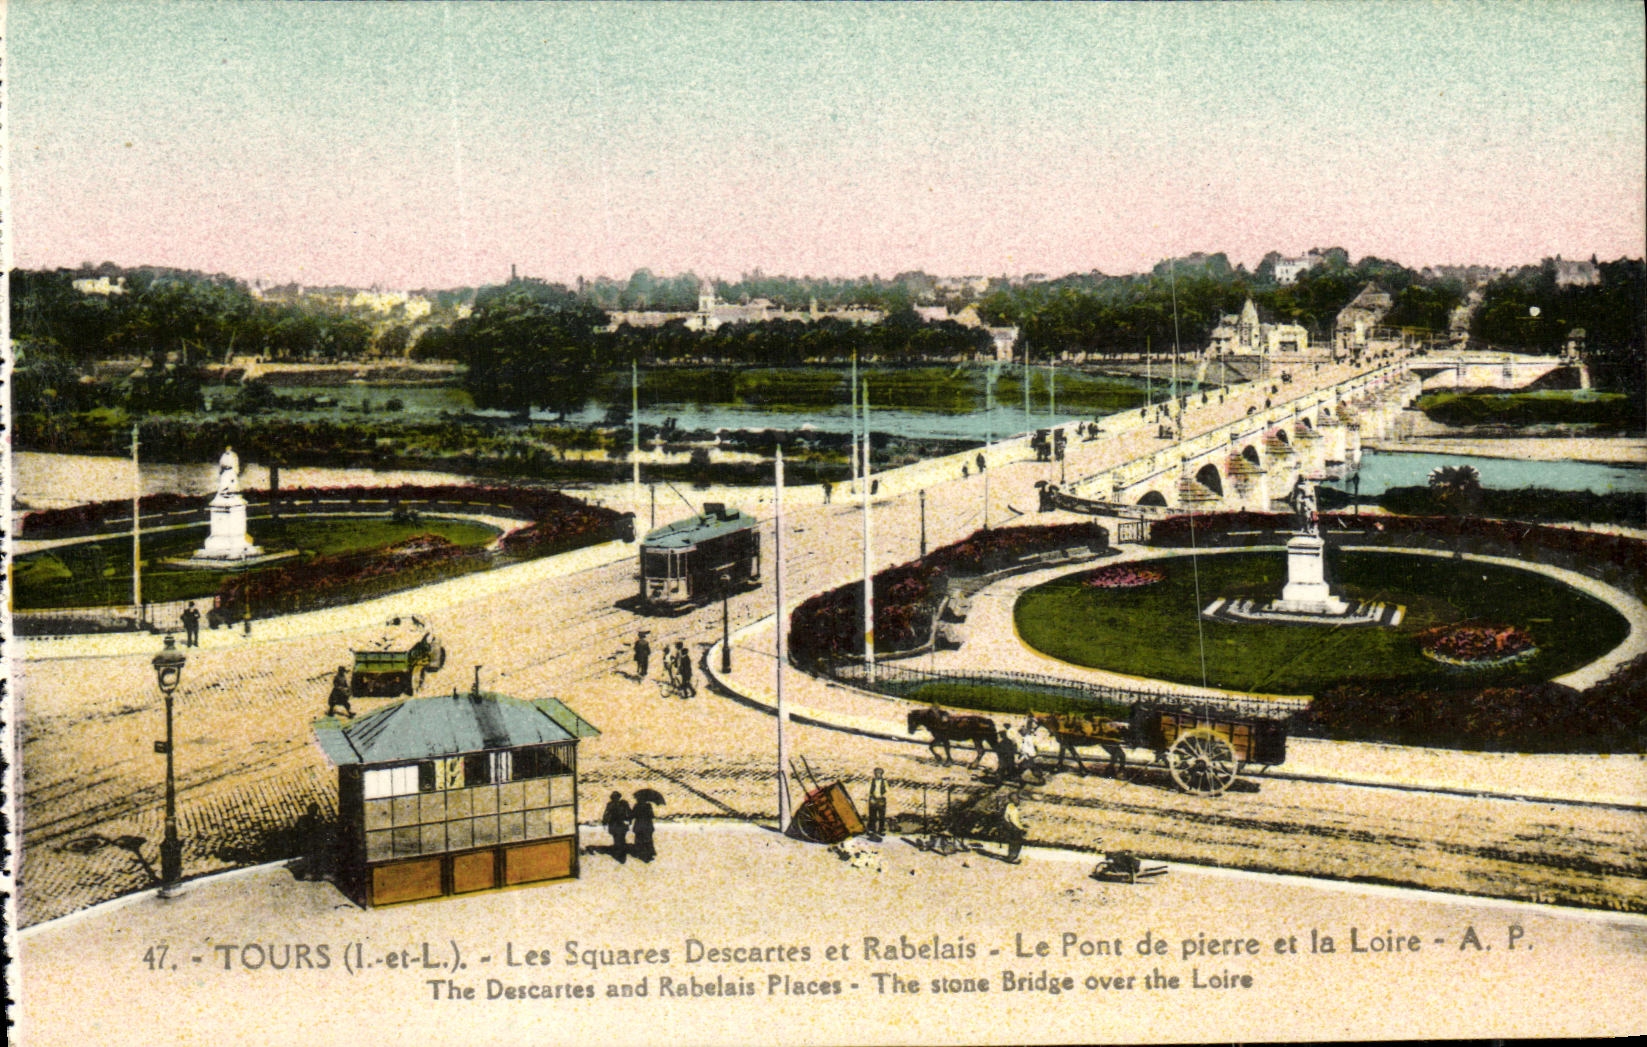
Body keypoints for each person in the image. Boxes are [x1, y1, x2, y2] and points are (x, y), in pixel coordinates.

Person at [601, 791, 631, 861]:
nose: (615, 798)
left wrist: (628, 820)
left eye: (616, 797)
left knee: (619, 838)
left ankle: (620, 853)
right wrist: (604, 822)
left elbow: (629, 812)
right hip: (616, 824)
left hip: (618, 824)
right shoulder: (612, 804)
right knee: (618, 838)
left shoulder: (623, 803)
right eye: (614, 797)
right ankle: (620, 854)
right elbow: (606, 814)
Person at [1001, 790, 1028, 864]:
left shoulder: (1009, 806)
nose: (1019, 801)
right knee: (1016, 843)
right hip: (1014, 827)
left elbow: (1006, 817)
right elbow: (1014, 820)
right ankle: (1013, 858)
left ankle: (1010, 856)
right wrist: (1022, 828)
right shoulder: (1013, 808)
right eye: (1017, 799)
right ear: (1014, 799)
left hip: (1009, 826)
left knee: (1013, 842)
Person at [630, 792, 657, 862]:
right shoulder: (648, 806)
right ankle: (649, 854)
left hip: (639, 825)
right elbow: (652, 816)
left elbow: (632, 815)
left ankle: (640, 853)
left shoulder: (636, 806)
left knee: (639, 840)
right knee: (648, 840)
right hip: (647, 825)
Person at [866, 768, 888, 838]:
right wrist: (871, 797)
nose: (878, 774)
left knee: (882, 816)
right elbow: (868, 790)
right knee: (872, 815)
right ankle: (872, 830)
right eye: (876, 773)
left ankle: (881, 830)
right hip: (873, 799)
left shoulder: (884, 782)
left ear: (881, 774)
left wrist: (882, 798)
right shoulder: (871, 781)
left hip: (881, 800)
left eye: (879, 773)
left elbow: (887, 791)